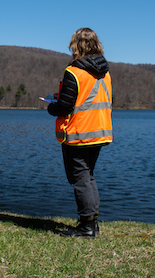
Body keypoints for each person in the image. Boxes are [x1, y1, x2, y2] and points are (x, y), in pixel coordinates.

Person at [47, 28, 112, 238]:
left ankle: (86, 227)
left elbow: (64, 107)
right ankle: (91, 223)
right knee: (88, 177)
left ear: (76, 45)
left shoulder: (74, 72)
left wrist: (51, 106)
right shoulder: (105, 72)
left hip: (79, 132)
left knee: (80, 179)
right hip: (99, 131)